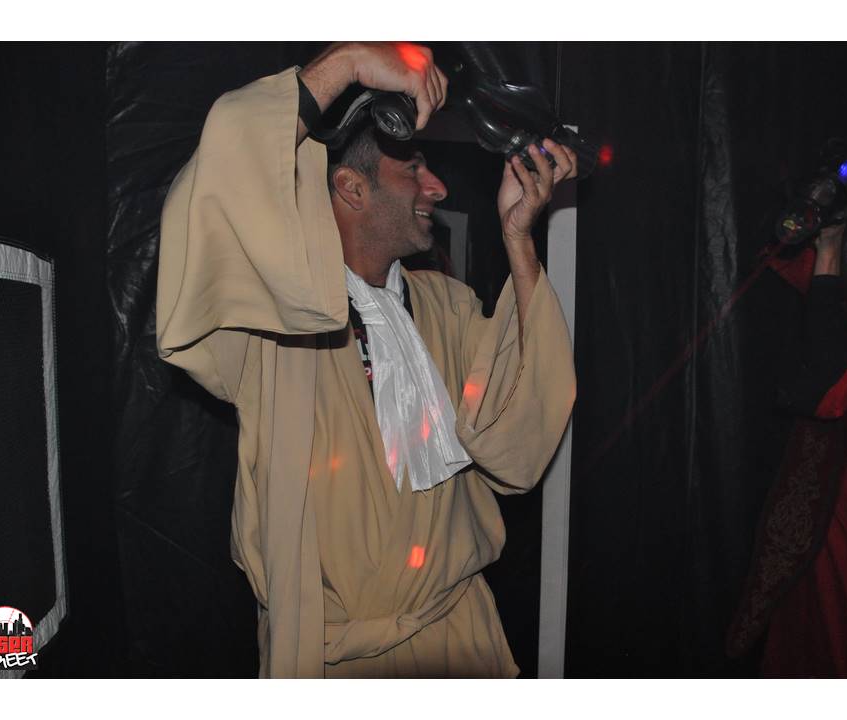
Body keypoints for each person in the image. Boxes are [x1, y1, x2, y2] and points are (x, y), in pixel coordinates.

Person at [155, 42, 577, 678]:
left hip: (459, 645)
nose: (438, 187)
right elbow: (219, 186)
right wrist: (346, 62)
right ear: (351, 188)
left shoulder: (447, 307)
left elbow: (518, 438)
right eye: (414, 170)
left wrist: (519, 239)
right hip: (332, 664)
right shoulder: (267, 329)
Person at [728, 185, 847, 677]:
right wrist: (820, 209)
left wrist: (830, 250)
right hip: (817, 540)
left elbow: (828, 375)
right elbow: (779, 253)